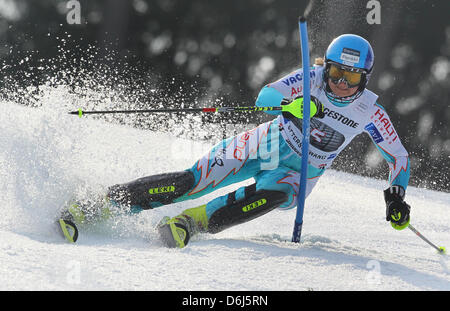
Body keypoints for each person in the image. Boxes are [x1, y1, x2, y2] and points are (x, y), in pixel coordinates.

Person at [58, 34, 411, 248]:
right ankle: (96, 204)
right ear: (327, 67)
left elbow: (398, 158)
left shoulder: (370, 111)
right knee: (190, 182)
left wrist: (395, 198)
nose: (342, 85)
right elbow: (265, 97)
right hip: (265, 143)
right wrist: (293, 105)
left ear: (366, 77)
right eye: (336, 73)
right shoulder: (312, 77)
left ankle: (187, 224)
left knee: (275, 195)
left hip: (298, 173)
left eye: (352, 77)